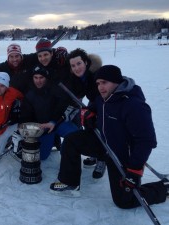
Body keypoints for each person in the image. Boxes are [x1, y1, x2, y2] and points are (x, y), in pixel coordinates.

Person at [50, 65, 169, 209]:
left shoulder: (134, 106)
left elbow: (146, 141)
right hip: (104, 143)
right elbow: (93, 110)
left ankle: (165, 187)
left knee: (124, 201)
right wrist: (88, 115)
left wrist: (135, 170)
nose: (100, 87)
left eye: (104, 82)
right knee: (71, 141)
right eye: (98, 83)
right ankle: (69, 182)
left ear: (116, 82)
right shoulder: (102, 98)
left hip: (121, 156)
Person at [20, 65, 78, 160]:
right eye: (36, 77)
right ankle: (53, 140)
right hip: (43, 129)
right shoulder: (29, 96)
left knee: (76, 134)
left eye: (41, 77)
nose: (38, 81)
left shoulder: (55, 90)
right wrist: (36, 128)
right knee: (42, 156)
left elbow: (62, 107)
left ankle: (65, 152)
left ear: (46, 78)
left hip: (57, 123)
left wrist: (54, 121)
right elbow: (26, 116)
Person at [65, 48, 105, 179]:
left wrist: (96, 113)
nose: (76, 68)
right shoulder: (78, 78)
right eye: (73, 65)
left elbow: (102, 97)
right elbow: (78, 94)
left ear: (86, 63)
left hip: (105, 105)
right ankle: (94, 154)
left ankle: (102, 159)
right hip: (94, 103)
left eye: (79, 63)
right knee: (89, 127)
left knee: (102, 130)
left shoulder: (96, 76)